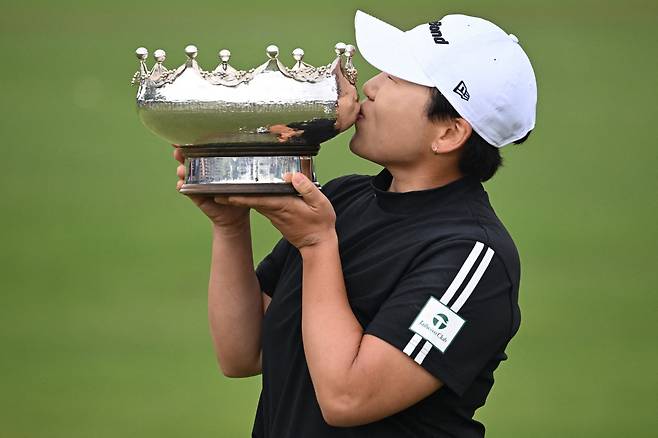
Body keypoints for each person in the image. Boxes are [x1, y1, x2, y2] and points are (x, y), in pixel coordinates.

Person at [173, 9, 537, 438]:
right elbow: (241, 353)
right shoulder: (344, 199)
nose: (371, 86)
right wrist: (231, 226)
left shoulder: (474, 258)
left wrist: (316, 244)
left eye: (398, 78)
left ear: (449, 133)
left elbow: (348, 398)